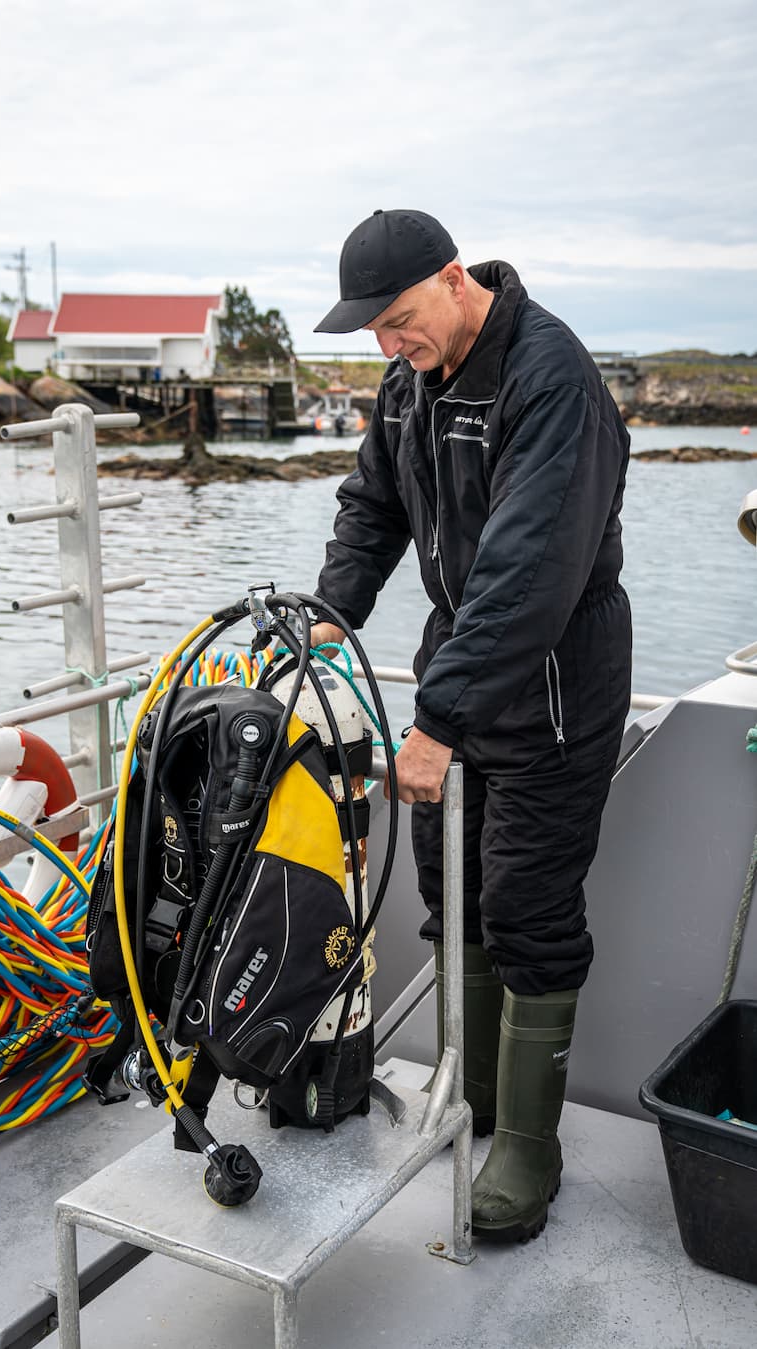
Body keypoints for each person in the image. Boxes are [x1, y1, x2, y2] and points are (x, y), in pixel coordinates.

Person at [310, 208, 632, 1243]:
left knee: (529, 903)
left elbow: (530, 572)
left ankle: (529, 1149)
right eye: (373, 329)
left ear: (455, 279)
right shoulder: (410, 379)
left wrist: (437, 718)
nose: (387, 343)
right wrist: (329, 616)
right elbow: (373, 507)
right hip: (467, 658)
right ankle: (477, 1096)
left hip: (554, 680)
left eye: (398, 318)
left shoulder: (552, 378)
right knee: (455, 890)